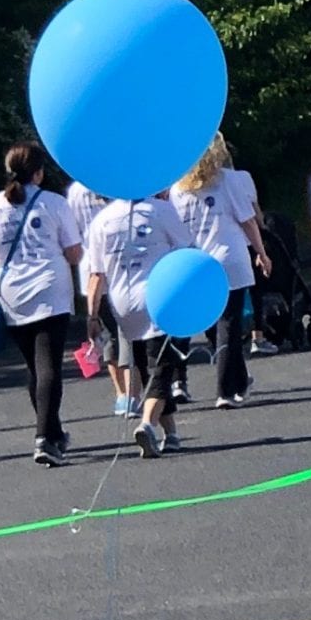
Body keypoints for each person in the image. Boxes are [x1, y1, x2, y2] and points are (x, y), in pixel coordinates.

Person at [0, 143, 83, 467]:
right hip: (50, 288)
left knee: (34, 368)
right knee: (49, 367)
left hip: (12, 293)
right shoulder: (54, 203)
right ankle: (45, 437)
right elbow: (74, 252)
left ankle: (54, 433)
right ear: (38, 172)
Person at [85, 192, 192, 456]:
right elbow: (187, 251)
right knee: (164, 365)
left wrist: (92, 315)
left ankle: (171, 433)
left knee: (144, 365)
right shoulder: (160, 210)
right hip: (159, 296)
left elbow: (96, 274)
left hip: (122, 303)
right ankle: (148, 425)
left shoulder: (102, 220)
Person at [171, 134, 272, 409]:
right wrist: (262, 253)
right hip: (229, 258)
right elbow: (248, 221)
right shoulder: (226, 180)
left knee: (215, 324)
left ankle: (238, 381)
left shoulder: (178, 190)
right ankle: (225, 390)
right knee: (229, 323)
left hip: (196, 262)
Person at [67, 177, 136, 417]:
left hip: (91, 270)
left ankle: (121, 394)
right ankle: (131, 392)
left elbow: (72, 232)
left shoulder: (75, 191)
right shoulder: (119, 183)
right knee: (126, 331)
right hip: (121, 265)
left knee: (107, 334)